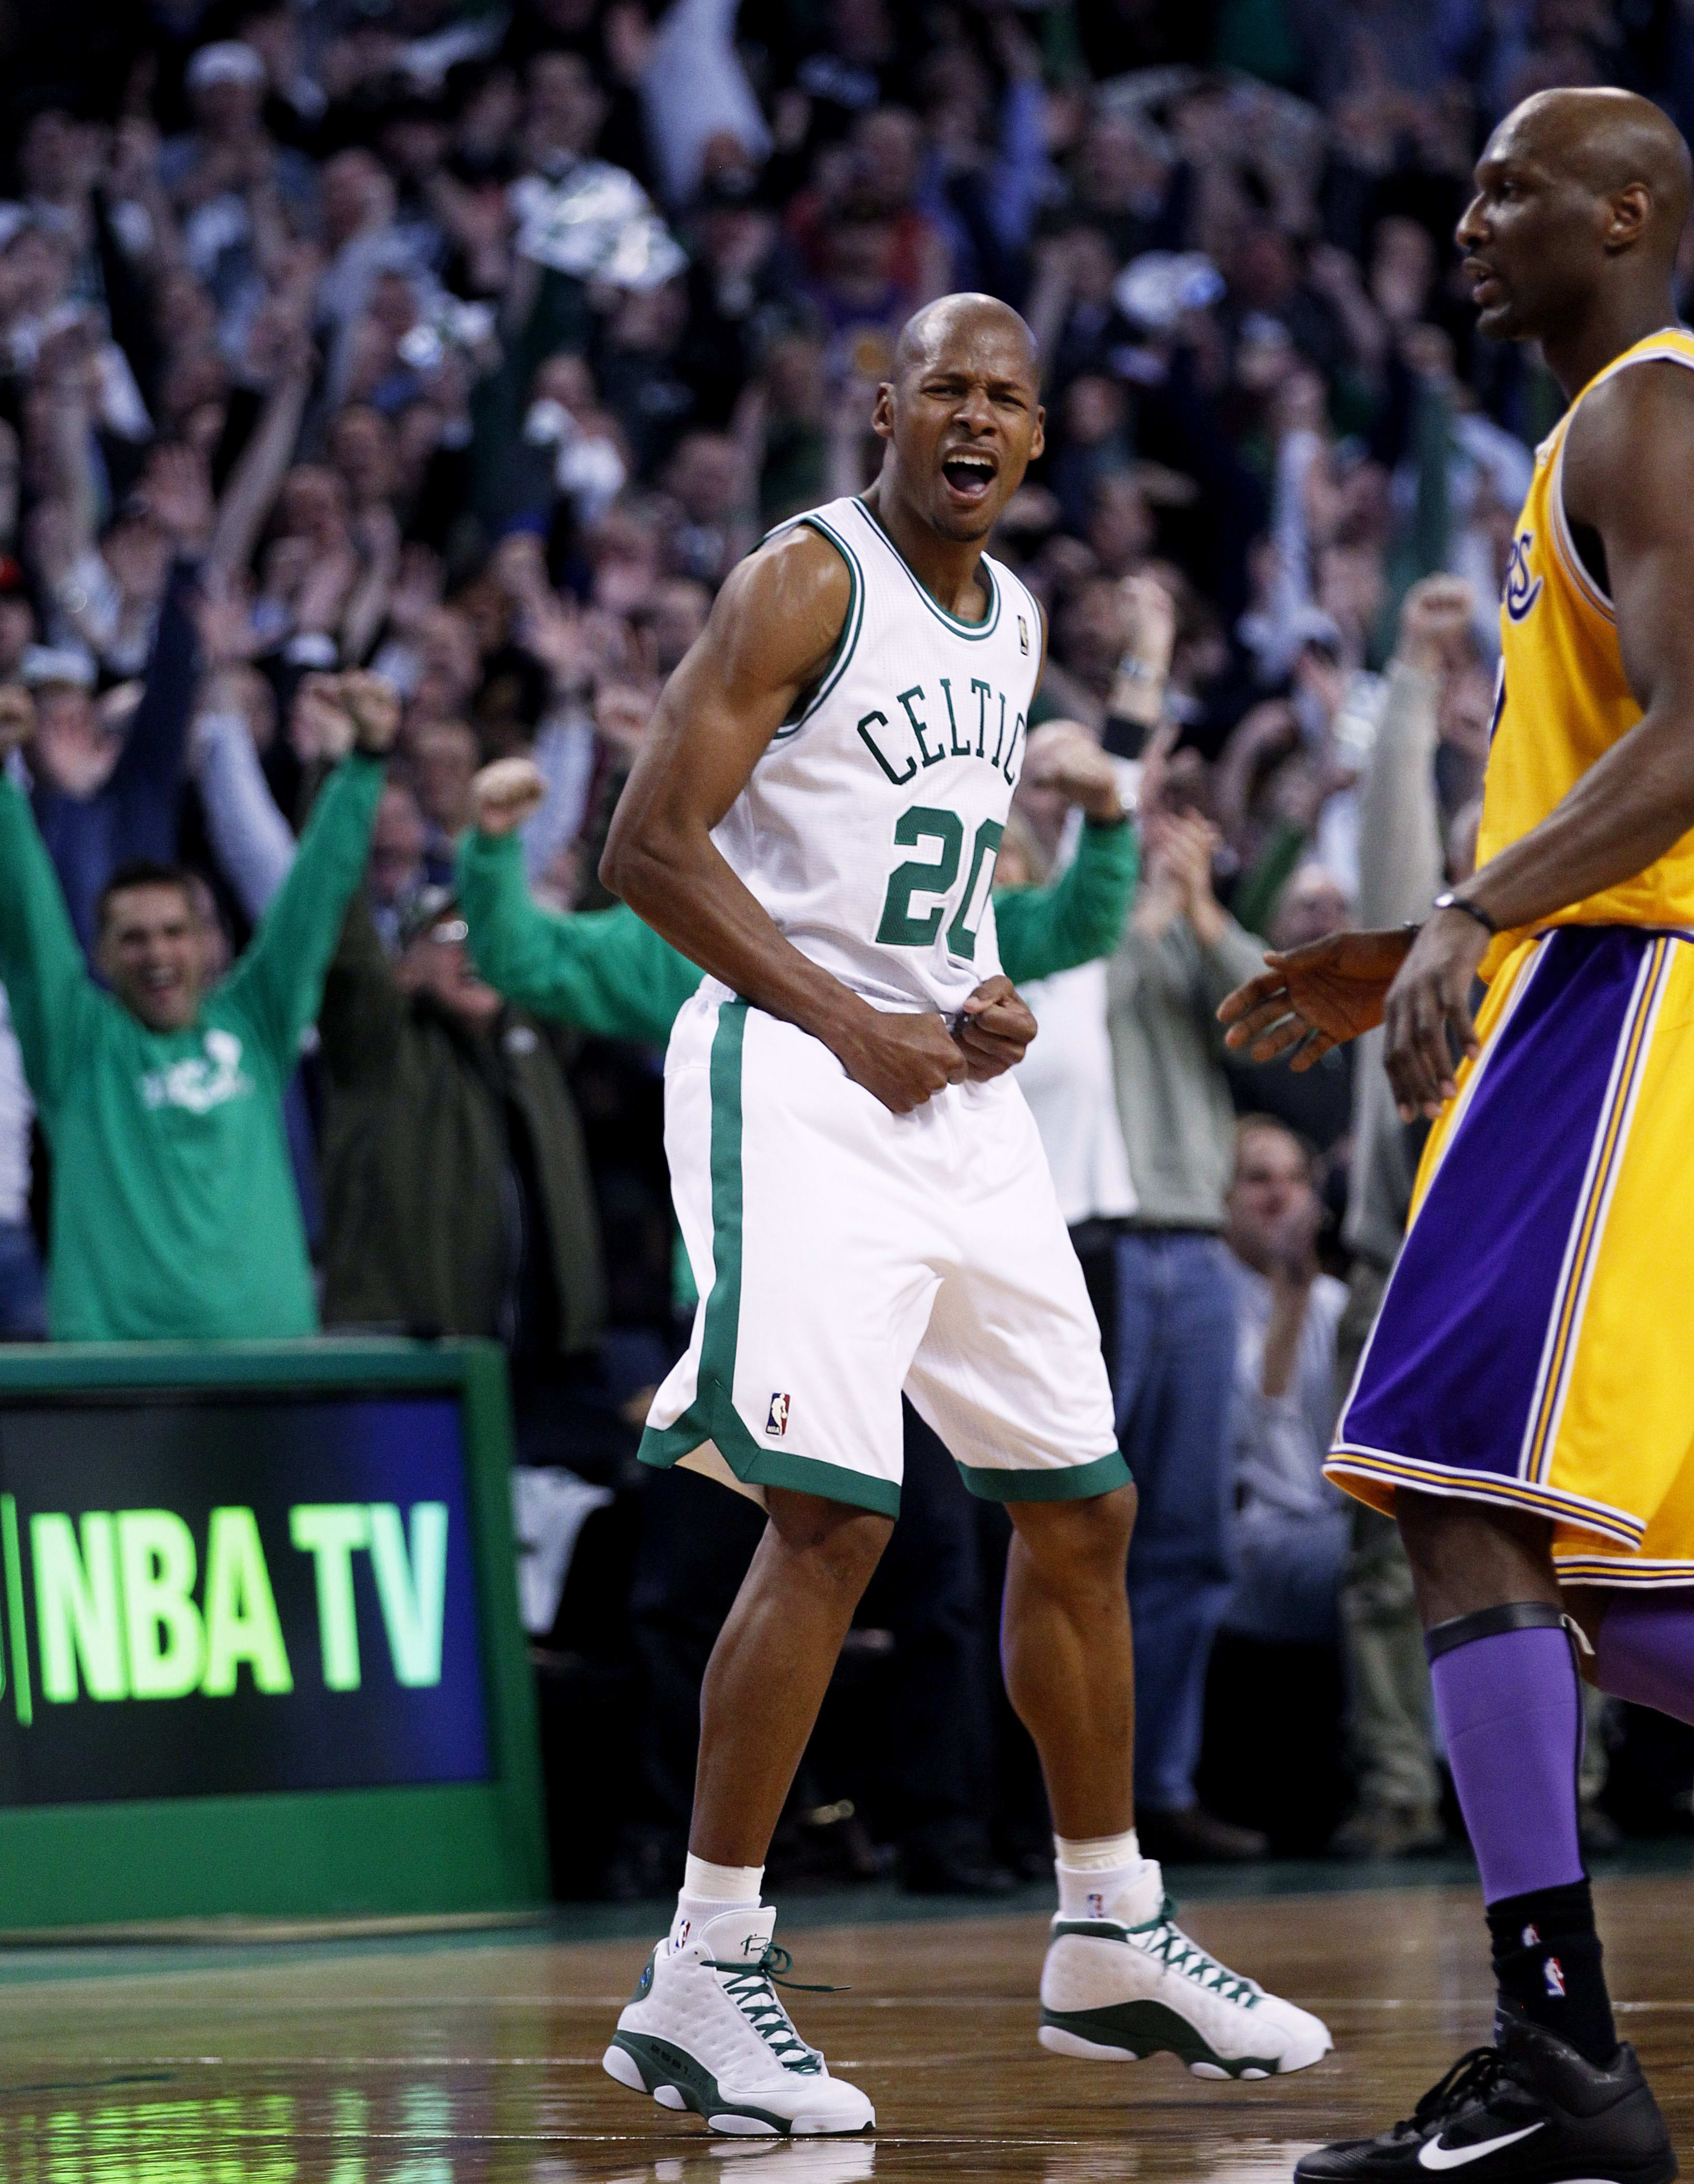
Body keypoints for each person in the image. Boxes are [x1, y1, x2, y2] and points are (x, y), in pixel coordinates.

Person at [584, 293, 1331, 2139]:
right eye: (945, 389)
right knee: (829, 1518)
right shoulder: (800, 579)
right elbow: (645, 849)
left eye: (1005, 394)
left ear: (1039, 429)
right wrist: (854, 1019)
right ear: (882, 404)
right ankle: (701, 1968)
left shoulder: (1006, 635)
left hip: (946, 1088)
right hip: (793, 1076)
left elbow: (912, 887)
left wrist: (974, 994)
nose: (974, 418)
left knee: (1082, 1506)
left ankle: (1105, 1928)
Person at [1221, 87, 1694, 2184]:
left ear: (1633, 209)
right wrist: (1433, 925)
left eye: (1513, 186)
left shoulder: (1653, 411)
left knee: (1461, 1492)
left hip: (1626, 1010)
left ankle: (1564, 2055)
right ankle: (1559, 2053)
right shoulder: (1592, 435)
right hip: (1578, 994)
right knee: (1554, 1546)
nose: (1470, 218)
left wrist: (1494, 908)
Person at [0, 673, 397, 1340]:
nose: (157, 952)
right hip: (118, 1379)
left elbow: (314, 895)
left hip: (267, 1365)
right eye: (133, 938)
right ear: (100, 956)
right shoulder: (76, 1043)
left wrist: (364, 766)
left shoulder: (256, 1022)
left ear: (208, 943)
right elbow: (26, 913)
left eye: (174, 932)